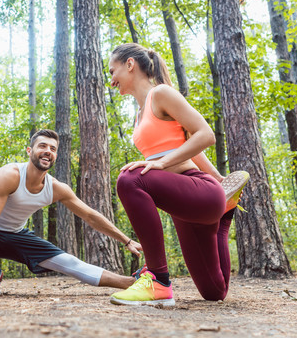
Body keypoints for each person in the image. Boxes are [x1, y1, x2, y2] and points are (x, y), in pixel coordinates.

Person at [107, 43, 249, 306]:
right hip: (185, 204)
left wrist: (163, 164)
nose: (111, 79)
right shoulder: (138, 116)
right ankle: (224, 217)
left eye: (112, 70)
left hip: (198, 190)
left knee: (129, 178)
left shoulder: (160, 94)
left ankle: (158, 281)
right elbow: (184, 145)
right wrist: (223, 182)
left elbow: (205, 135)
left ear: (129, 64)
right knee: (214, 292)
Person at [0, 129, 142, 298]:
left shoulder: (56, 188)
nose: (48, 151)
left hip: (17, 235)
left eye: (53, 148)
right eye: (42, 146)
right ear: (30, 151)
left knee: (69, 262)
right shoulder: (10, 175)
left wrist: (126, 240)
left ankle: (131, 282)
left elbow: (90, 216)